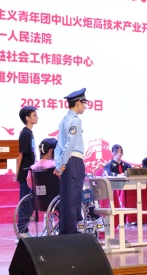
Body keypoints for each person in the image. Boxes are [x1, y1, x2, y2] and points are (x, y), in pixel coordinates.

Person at [54, 87, 87, 235]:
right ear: (78, 103)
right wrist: (63, 164)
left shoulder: (63, 121)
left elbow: (58, 146)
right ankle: (72, 233)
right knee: (73, 198)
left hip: (66, 162)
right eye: (84, 103)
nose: (85, 106)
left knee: (66, 198)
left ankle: (65, 232)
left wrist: (58, 164)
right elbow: (70, 144)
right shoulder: (75, 121)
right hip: (73, 162)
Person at [15, 106, 38, 236]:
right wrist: (17, 172)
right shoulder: (25, 133)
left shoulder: (29, 133)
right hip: (25, 173)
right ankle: (22, 230)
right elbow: (20, 155)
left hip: (30, 172)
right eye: (34, 115)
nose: (37, 117)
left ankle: (24, 228)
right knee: (25, 201)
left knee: (30, 201)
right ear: (27, 118)